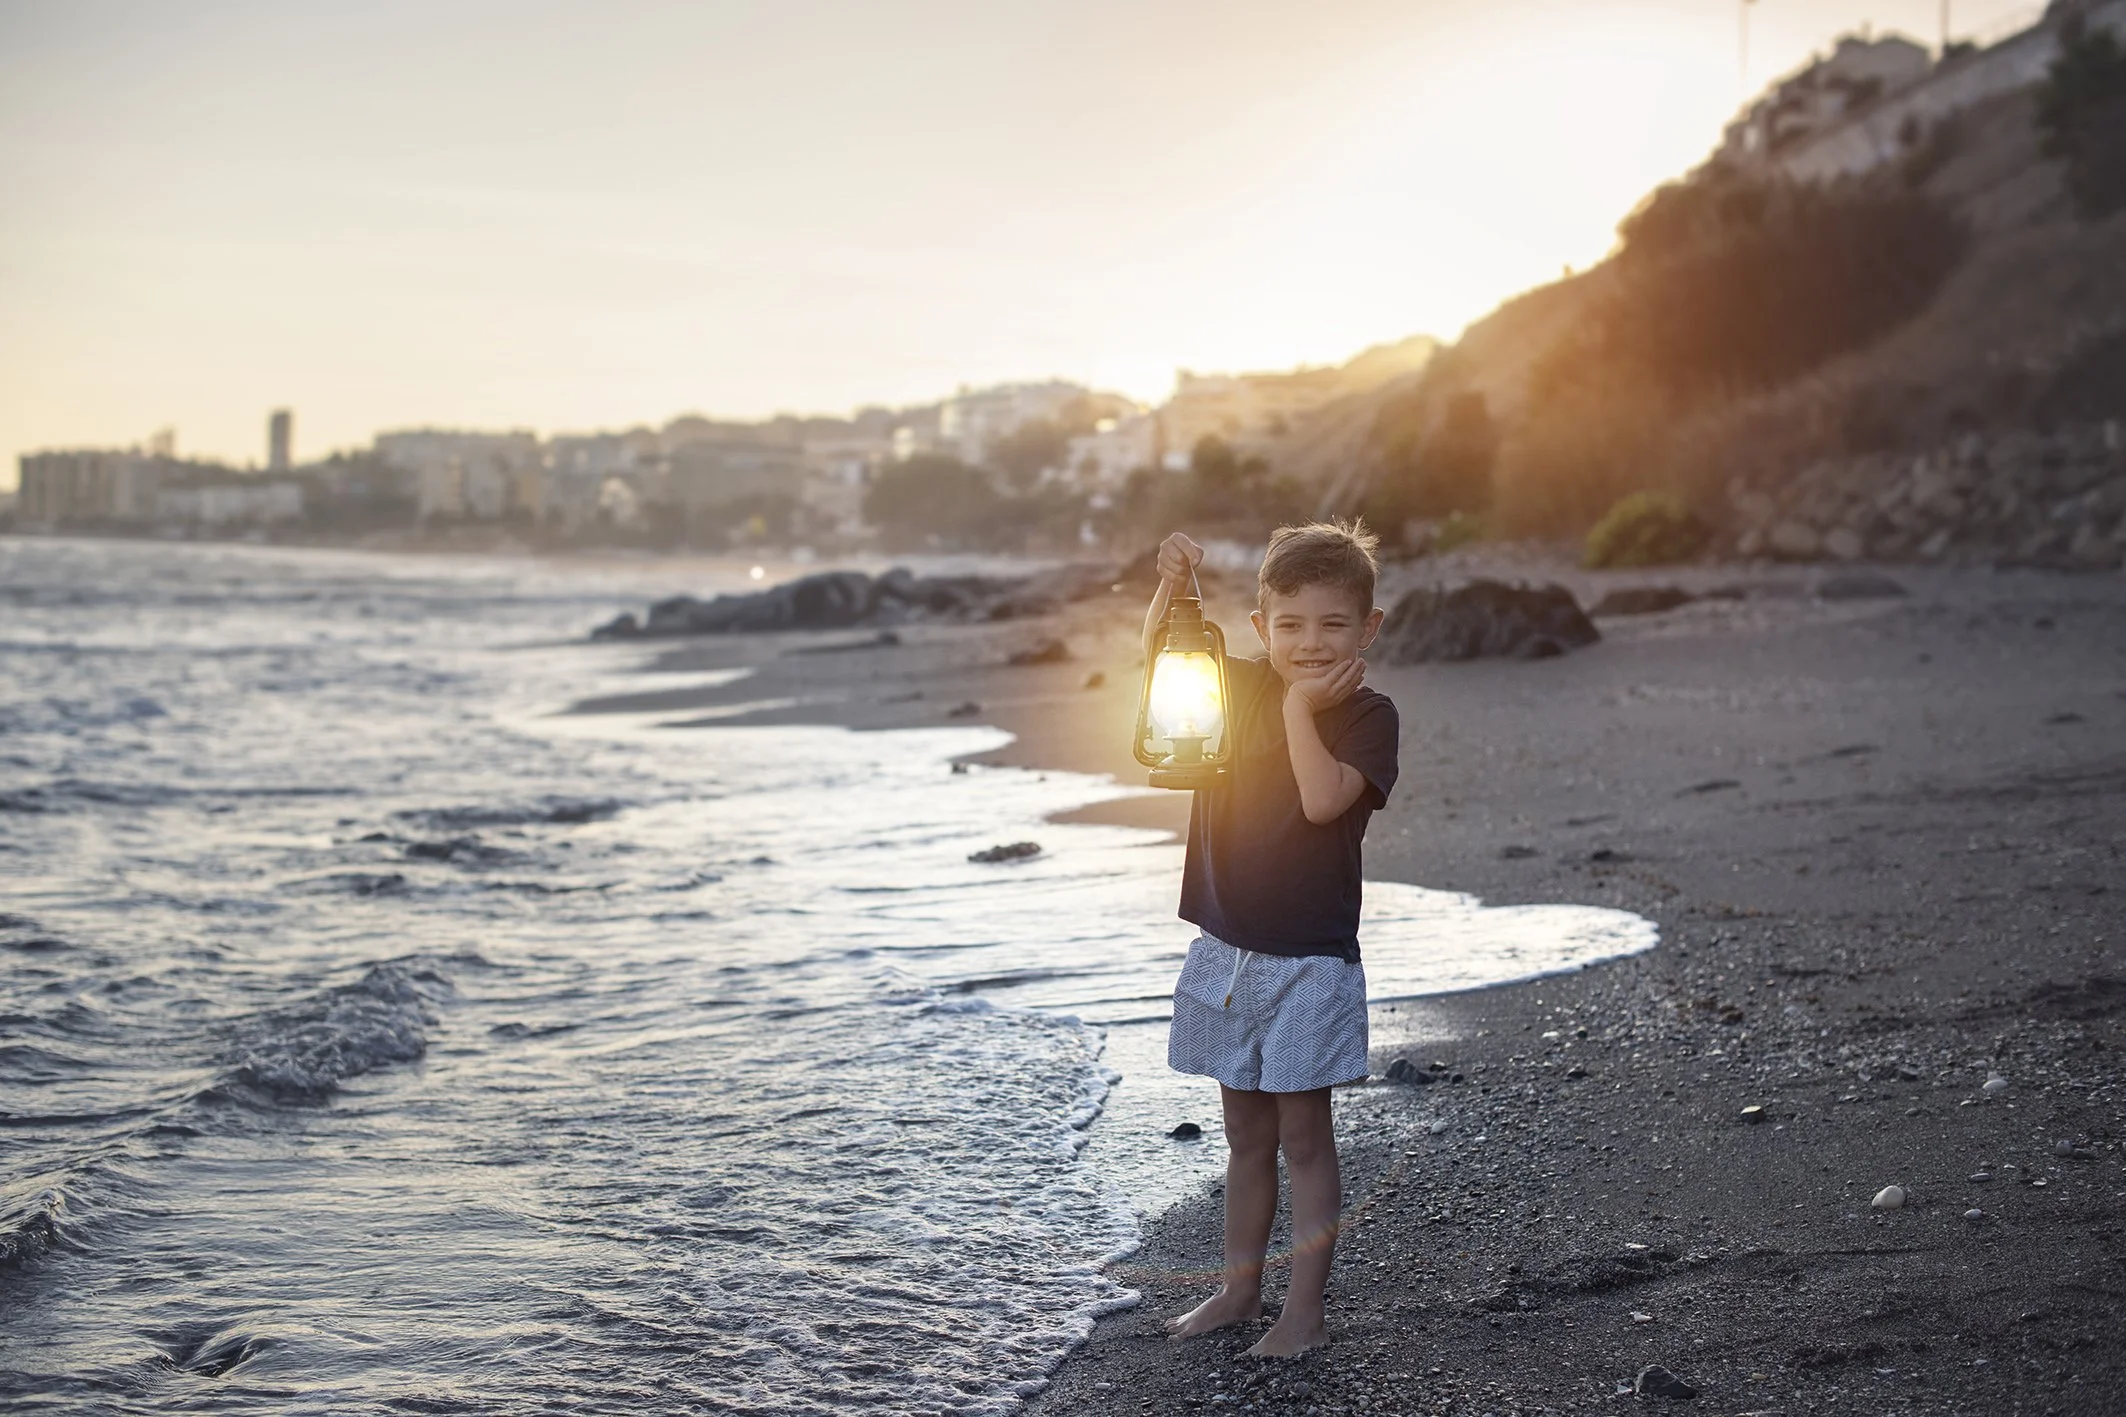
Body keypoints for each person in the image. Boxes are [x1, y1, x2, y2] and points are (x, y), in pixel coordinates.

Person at [1145, 520, 1399, 1360]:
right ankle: (1240, 1287)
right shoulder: (1238, 684)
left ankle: (1305, 1311)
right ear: (1261, 629)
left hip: (1309, 962)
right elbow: (1160, 656)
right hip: (1227, 950)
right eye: (1289, 625)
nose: (1310, 642)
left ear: (1368, 628)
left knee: (1303, 1138)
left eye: (1332, 624)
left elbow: (1324, 800)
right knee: (1246, 1138)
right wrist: (1171, 586)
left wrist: (1299, 705)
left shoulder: (1367, 715)